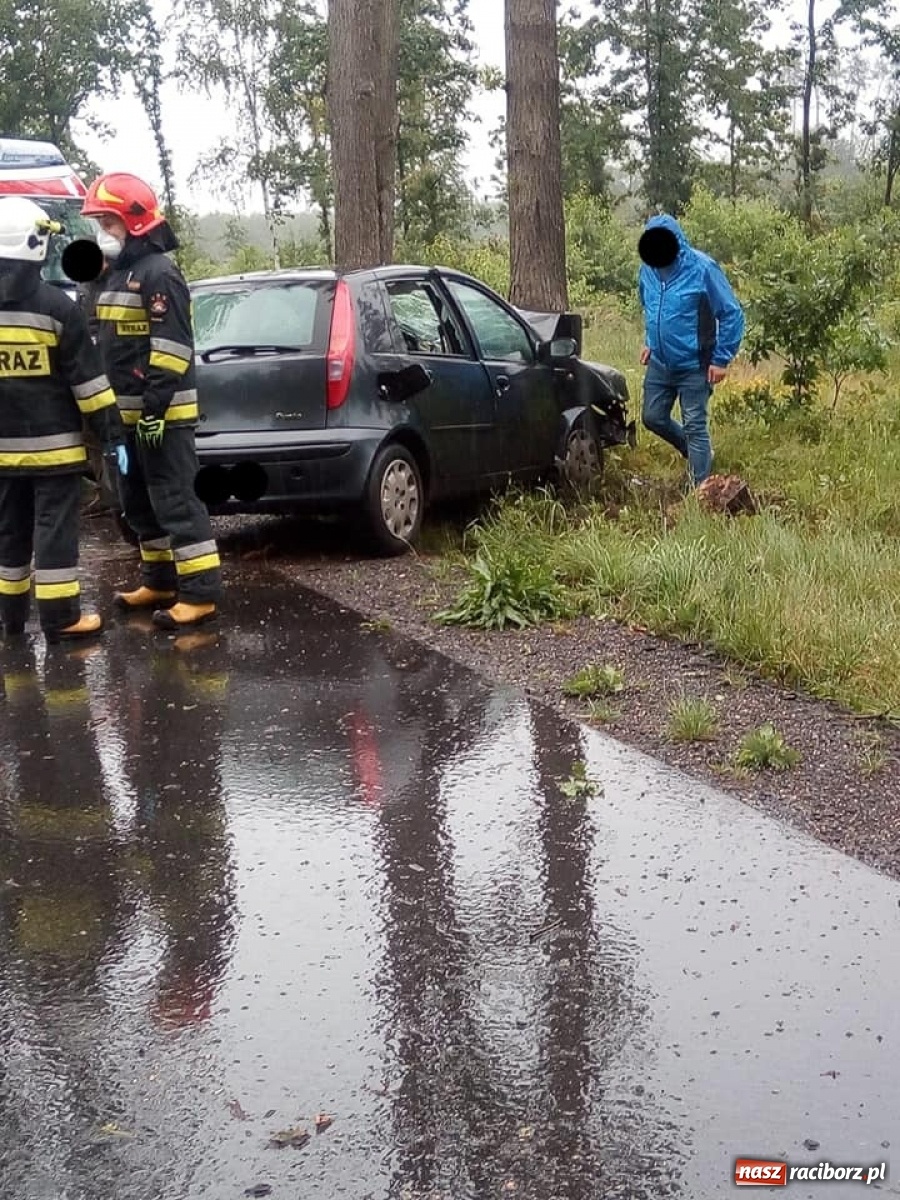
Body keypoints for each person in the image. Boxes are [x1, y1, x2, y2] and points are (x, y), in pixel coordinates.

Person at [80, 172, 222, 631]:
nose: (103, 232)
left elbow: (172, 349)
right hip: (124, 420)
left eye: (109, 222)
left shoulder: (160, 273)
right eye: (100, 222)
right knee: (136, 504)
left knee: (176, 502)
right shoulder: (118, 275)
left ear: (136, 222)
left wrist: (155, 409)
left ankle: (199, 595)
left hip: (162, 418)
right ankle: (159, 581)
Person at [0, 196, 126, 643]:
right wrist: (113, 435)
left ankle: (10, 620)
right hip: (54, 452)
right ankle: (61, 619)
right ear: (34, 245)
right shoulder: (57, 309)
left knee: (9, 533)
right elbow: (89, 386)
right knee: (53, 531)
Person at [637, 214, 745, 487]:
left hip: (695, 364)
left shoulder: (703, 268)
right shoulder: (647, 269)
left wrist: (721, 359)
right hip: (660, 362)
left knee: (695, 425)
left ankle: (701, 491)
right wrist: (650, 340)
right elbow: (650, 305)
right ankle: (699, 454)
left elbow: (731, 313)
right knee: (652, 417)